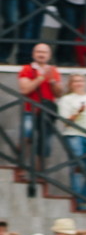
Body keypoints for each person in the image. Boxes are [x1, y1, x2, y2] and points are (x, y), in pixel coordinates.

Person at [56, 74, 86, 208]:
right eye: (76, 81)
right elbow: (65, 121)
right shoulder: (66, 99)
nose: (79, 83)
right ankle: (78, 201)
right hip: (74, 135)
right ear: (71, 84)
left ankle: (83, 198)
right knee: (77, 168)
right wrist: (78, 112)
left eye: (81, 80)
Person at [17, 42, 61, 174]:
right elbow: (25, 89)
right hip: (30, 110)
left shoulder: (53, 71)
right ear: (33, 54)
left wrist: (52, 81)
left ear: (49, 55)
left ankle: (39, 172)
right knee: (26, 134)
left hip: (46, 113)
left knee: (45, 141)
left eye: (44, 52)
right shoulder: (27, 69)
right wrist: (41, 77)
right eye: (38, 52)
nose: (41, 55)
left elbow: (59, 93)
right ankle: (21, 167)